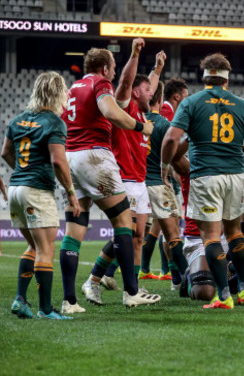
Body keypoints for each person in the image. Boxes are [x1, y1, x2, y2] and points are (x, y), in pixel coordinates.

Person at [161, 53, 244, 309]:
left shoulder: (192, 103)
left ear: (205, 76)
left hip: (206, 176)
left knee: (210, 237)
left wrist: (164, 166)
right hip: (235, 177)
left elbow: (171, 140)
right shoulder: (242, 105)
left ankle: (223, 296)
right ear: (227, 80)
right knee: (234, 232)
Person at [60, 38, 158, 308]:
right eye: (113, 67)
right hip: (95, 156)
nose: (114, 73)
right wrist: (140, 127)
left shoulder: (71, 89)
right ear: (104, 68)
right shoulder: (99, 84)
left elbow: (62, 121)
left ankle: (70, 301)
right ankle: (131, 292)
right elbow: (109, 110)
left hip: (71, 157)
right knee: (124, 223)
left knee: (74, 230)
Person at [81, 46, 166, 305]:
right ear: (136, 93)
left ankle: (124, 288)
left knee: (137, 237)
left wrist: (158, 68)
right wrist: (136, 54)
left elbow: (147, 84)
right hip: (124, 180)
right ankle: (101, 281)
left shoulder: (142, 111)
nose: (152, 93)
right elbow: (128, 82)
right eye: (147, 90)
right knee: (126, 235)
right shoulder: (126, 106)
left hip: (139, 182)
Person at [3, 71, 80, 319]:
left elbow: (5, 153)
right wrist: (71, 194)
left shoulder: (17, 120)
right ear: (57, 92)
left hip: (15, 189)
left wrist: (24, 172)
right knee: (46, 249)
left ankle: (20, 300)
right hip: (36, 191)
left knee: (33, 246)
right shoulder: (55, 122)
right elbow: (58, 161)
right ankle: (46, 310)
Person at [138, 80, 187, 285]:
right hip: (159, 180)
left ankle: (101, 275)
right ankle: (183, 278)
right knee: (171, 232)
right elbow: (172, 153)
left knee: (134, 234)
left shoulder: (137, 121)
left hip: (138, 181)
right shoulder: (166, 120)